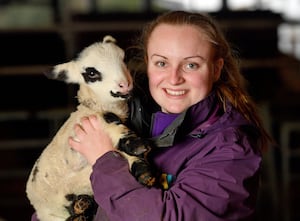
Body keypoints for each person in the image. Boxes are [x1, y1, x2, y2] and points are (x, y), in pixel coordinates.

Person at [32, 10, 271, 221]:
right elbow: (55, 186)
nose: (174, 78)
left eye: (191, 65)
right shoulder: (125, 116)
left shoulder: (230, 149)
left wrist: (104, 160)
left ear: (216, 69)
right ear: (147, 63)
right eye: (161, 63)